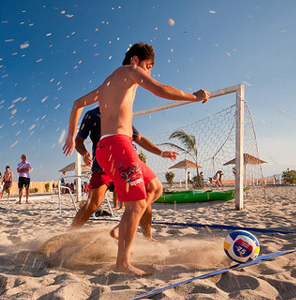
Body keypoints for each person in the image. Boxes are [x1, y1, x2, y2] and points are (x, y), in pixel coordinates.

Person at [63, 42, 209, 275]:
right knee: (135, 203)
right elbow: (160, 90)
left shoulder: (107, 84)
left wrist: (70, 135)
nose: (148, 73)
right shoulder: (130, 72)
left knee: (155, 187)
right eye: (148, 66)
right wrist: (193, 96)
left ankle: (120, 230)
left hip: (113, 147)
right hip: (116, 146)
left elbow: (77, 103)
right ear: (134, 60)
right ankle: (122, 264)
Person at [69, 106, 178, 238]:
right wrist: (85, 153)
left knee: (142, 196)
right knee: (93, 204)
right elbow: (78, 141)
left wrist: (161, 152)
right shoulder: (92, 115)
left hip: (126, 164)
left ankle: (147, 237)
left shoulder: (121, 113)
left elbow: (139, 138)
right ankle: (69, 234)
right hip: (103, 165)